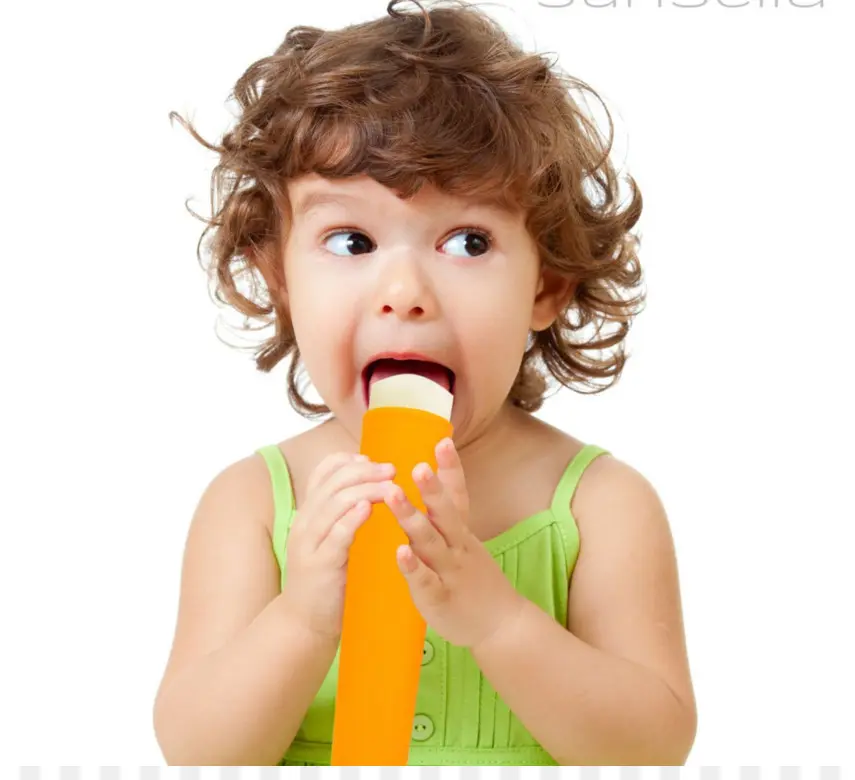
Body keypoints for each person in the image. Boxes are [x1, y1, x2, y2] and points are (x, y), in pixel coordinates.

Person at [153, 0, 697, 766]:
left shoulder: (600, 507)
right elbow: (194, 748)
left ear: (550, 286)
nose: (403, 289)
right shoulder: (251, 504)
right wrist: (303, 618)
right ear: (279, 276)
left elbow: (656, 744)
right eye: (351, 240)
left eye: (467, 241)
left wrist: (496, 617)